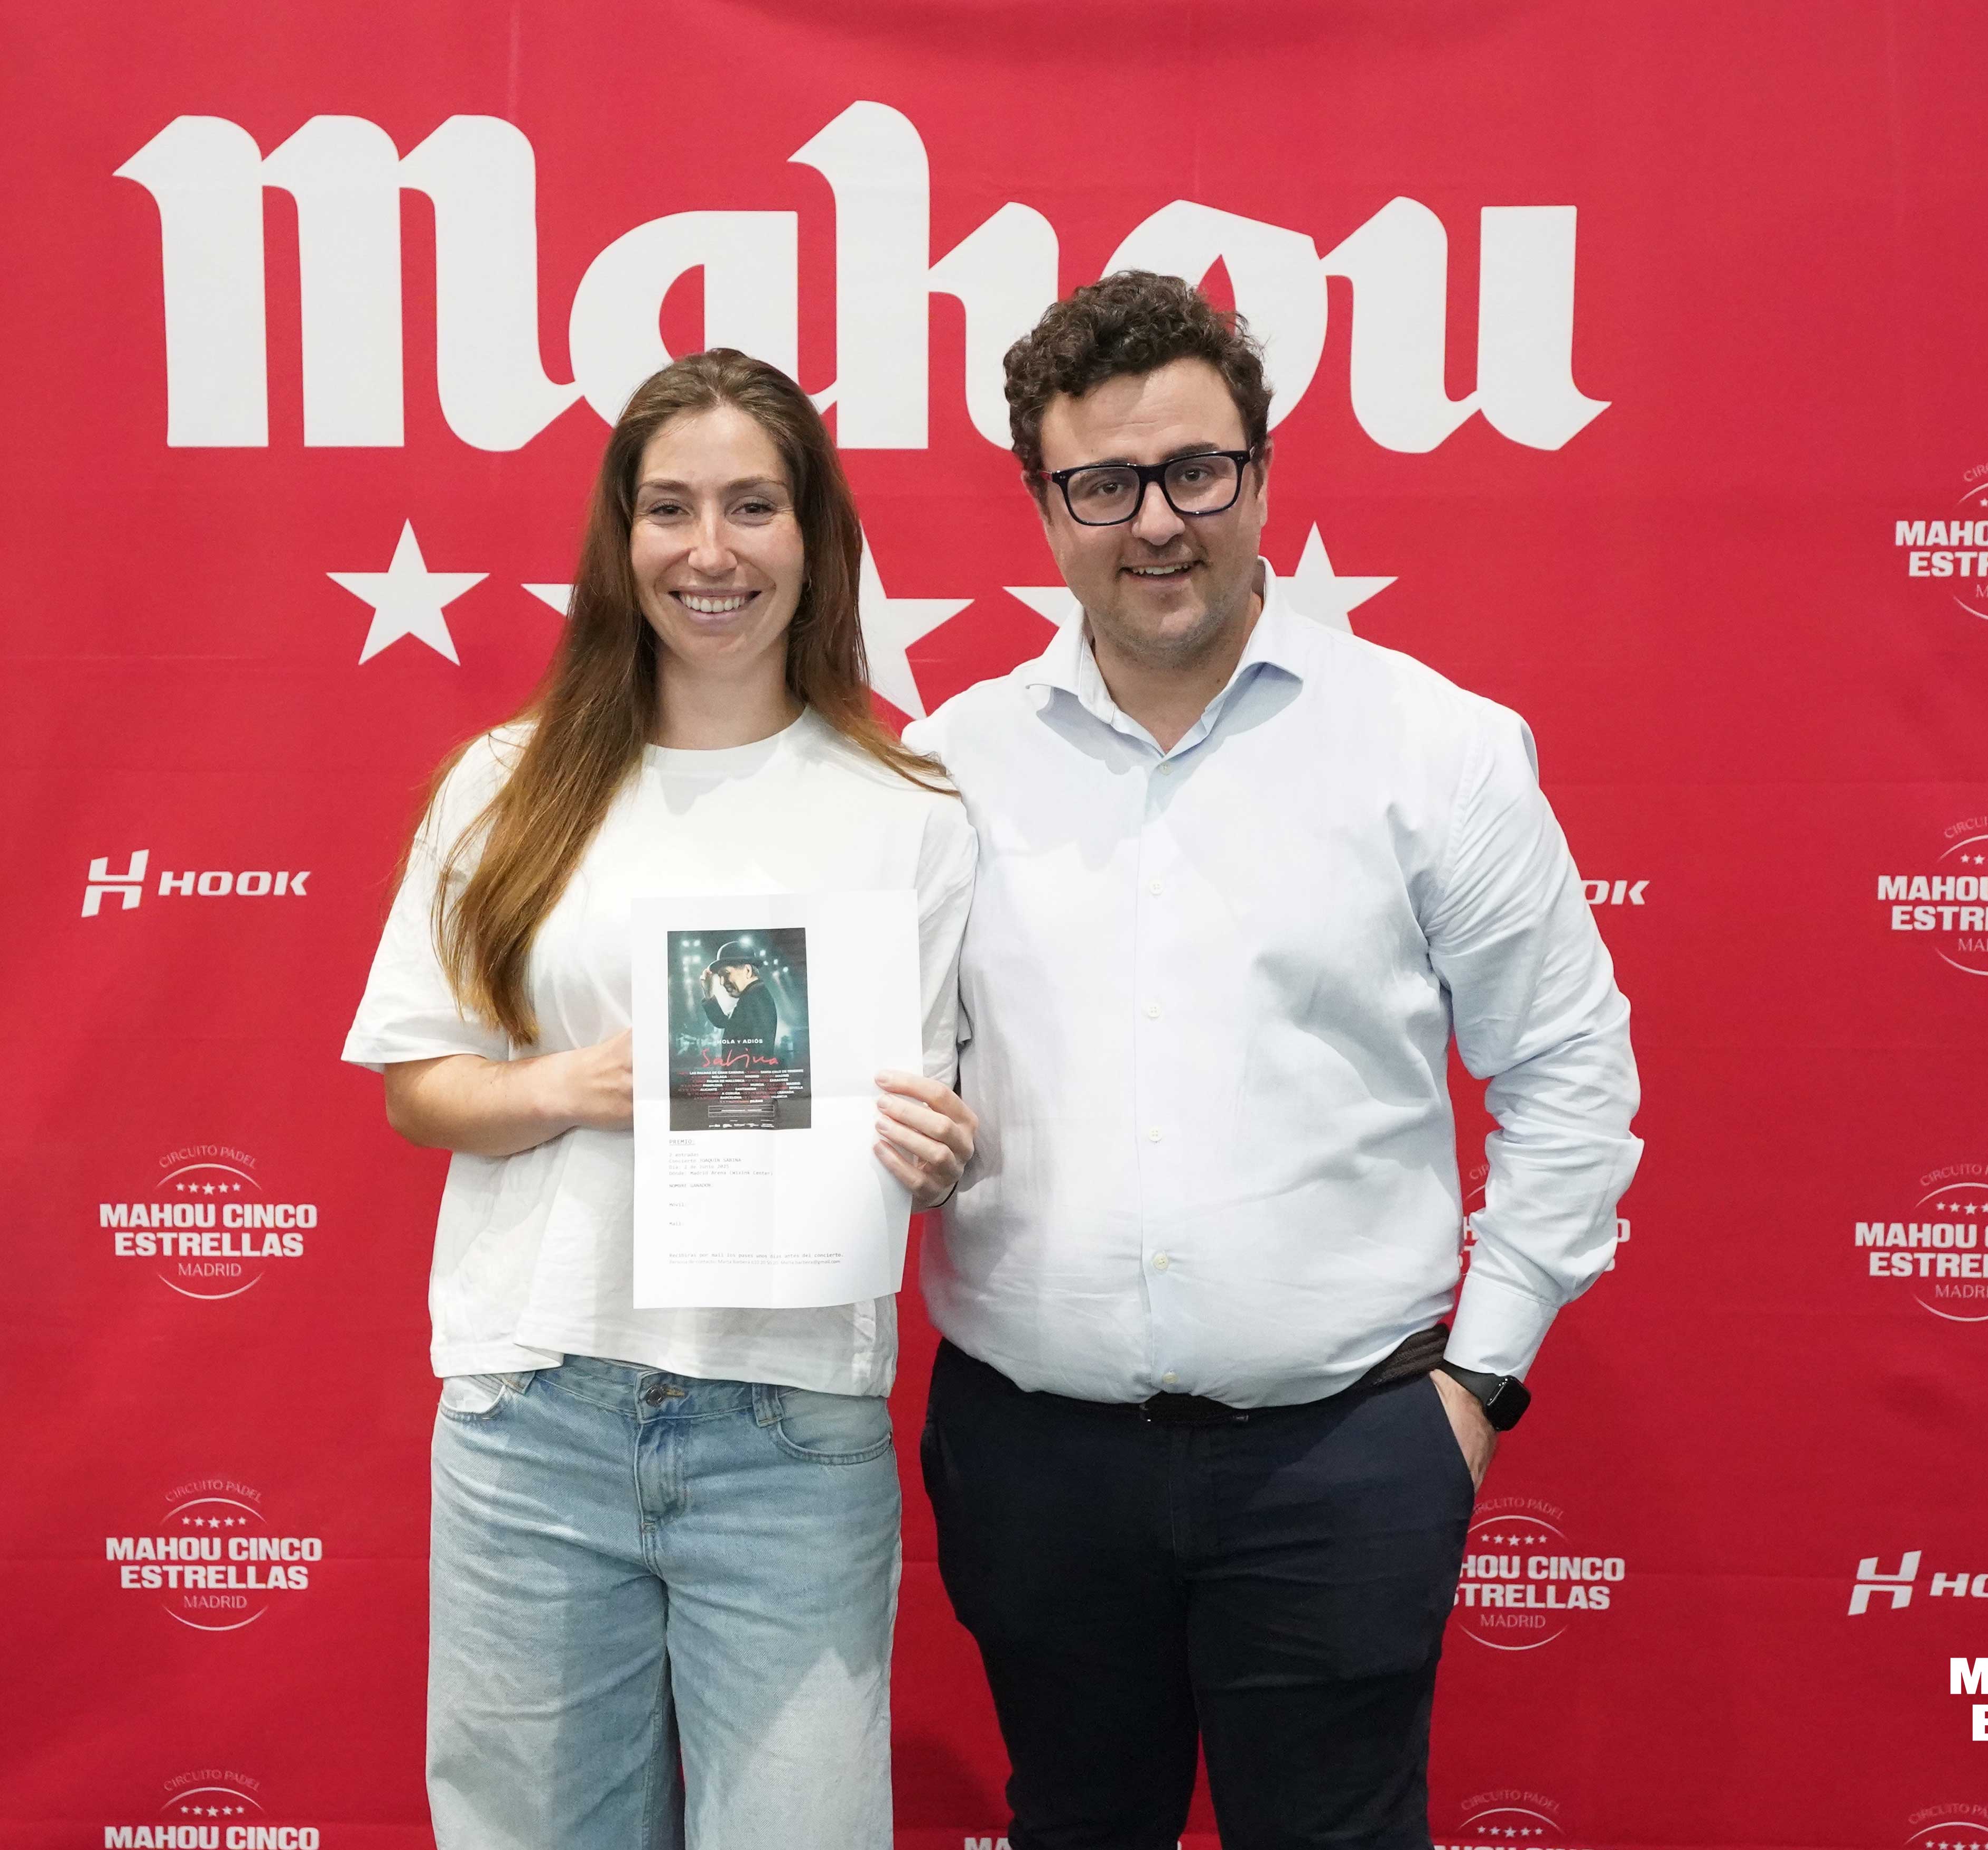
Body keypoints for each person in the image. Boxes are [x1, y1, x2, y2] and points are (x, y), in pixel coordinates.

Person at [904, 272, 1642, 1849]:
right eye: (1103, 484)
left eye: (1196, 470)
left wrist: (1476, 1383)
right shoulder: (946, 766)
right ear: (1042, 504)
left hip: (1347, 1458)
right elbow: (892, 1073)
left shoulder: (1434, 745)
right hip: (1034, 1460)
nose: (1156, 522)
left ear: (1261, 472)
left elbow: (1570, 1068)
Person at [344, 348, 981, 1850]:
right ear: (619, 538)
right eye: (671, 508)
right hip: (537, 1413)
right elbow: (416, 1087)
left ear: (812, 536)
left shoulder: (910, 811)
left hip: (793, 1428)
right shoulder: (504, 785)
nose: (711, 551)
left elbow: (923, 1107)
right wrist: (567, 1085)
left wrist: (939, 1152)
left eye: (753, 506)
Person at [704, 939, 779, 1053]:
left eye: (727, 973)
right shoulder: (753, 996)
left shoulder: (755, 998)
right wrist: (708, 992)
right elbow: (726, 1023)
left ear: (748, 971)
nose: (722, 982)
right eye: (720, 976)